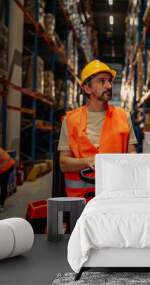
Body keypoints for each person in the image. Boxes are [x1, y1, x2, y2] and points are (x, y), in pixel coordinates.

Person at [58, 59, 137, 201]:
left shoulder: (123, 116)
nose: (109, 85)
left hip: (115, 197)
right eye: (102, 81)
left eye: (109, 81)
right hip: (80, 203)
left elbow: (131, 152)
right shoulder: (70, 120)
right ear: (87, 88)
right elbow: (63, 163)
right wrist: (89, 161)